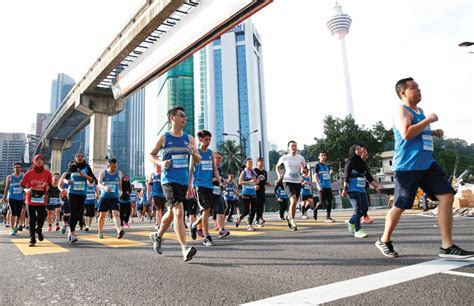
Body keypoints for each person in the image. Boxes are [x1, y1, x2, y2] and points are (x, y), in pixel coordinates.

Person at [375, 77, 474, 258]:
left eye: (419, 87)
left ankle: (447, 246)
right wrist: (428, 120)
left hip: (427, 163)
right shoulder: (401, 110)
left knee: (447, 196)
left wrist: (432, 132)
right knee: (400, 205)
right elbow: (406, 133)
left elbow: (417, 133)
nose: (419, 90)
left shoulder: (419, 110)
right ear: (403, 93)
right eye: (414, 88)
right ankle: (384, 239)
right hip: (408, 167)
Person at [148, 106, 201, 262]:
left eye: (185, 116)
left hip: (183, 181)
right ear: (172, 118)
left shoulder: (189, 138)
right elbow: (151, 154)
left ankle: (157, 236)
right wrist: (160, 162)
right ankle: (185, 248)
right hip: (168, 180)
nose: (184, 118)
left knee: (171, 213)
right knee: (179, 212)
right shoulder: (164, 137)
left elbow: (198, 160)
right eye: (181, 116)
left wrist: (193, 152)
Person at [188, 130, 222, 246]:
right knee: (206, 209)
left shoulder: (211, 153)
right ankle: (207, 236)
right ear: (200, 139)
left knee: (207, 211)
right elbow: (190, 169)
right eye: (206, 139)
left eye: (209, 139)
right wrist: (189, 186)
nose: (208, 142)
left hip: (210, 185)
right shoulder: (195, 153)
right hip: (199, 185)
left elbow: (215, 169)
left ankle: (193, 225)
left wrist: (220, 181)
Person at [341, 145, 380, 238]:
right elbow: (346, 176)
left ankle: (351, 222)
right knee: (357, 209)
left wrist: (375, 186)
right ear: (353, 151)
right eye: (357, 149)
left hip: (362, 189)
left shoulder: (363, 162)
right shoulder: (349, 162)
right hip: (352, 189)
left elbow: (368, 176)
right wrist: (344, 189)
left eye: (360, 148)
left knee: (365, 209)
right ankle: (358, 230)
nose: (360, 150)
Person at [20, 154, 52, 247]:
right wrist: (26, 190)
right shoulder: (29, 173)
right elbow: (22, 185)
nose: (39, 161)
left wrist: (47, 187)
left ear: (43, 161)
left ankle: (39, 230)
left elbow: (50, 184)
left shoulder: (48, 173)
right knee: (32, 220)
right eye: (37, 159)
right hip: (30, 199)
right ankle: (32, 239)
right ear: (34, 161)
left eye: (41, 159)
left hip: (42, 199)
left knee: (41, 217)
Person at [64, 152, 96, 243]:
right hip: (72, 193)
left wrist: (85, 175)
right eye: (78, 156)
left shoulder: (87, 167)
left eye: (81, 156)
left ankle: (70, 231)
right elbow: (65, 178)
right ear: (75, 158)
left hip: (82, 194)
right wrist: (67, 182)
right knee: (73, 213)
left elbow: (92, 180)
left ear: (84, 158)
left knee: (78, 214)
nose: (80, 157)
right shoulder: (72, 166)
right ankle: (72, 233)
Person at [275, 141, 306, 231]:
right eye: (292, 146)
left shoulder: (301, 158)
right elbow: (277, 167)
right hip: (287, 181)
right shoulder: (284, 157)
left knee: (295, 202)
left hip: (297, 182)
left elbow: (304, 169)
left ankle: (289, 217)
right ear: (288, 148)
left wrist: (303, 170)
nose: (294, 147)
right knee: (293, 200)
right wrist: (279, 175)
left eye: (295, 146)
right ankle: (292, 220)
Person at [97, 158, 125, 239]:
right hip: (104, 197)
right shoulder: (103, 173)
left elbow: (120, 184)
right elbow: (98, 184)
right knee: (102, 215)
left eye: (116, 166)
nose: (115, 168)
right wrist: (104, 187)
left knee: (116, 214)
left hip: (114, 197)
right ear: (108, 165)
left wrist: (120, 191)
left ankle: (119, 230)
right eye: (113, 167)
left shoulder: (119, 173)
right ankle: (100, 231)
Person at [2, 162, 24, 235]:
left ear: (21, 168)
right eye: (16, 167)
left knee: (19, 213)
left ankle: (16, 225)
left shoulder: (23, 176)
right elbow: (7, 187)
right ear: (13, 168)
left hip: (20, 197)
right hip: (12, 197)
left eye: (19, 167)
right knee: (13, 212)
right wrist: (4, 196)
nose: (17, 168)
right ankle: (12, 229)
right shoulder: (9, 177)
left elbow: (26, 186)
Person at [238, 158, 260, 231]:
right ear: (246, 164)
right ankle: (240, 217)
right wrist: (249, 182)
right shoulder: (244, 172)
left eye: (251, 162)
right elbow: (240, 182)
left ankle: (250, 225)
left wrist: (256, 183)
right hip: (246, 193)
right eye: (249, 162)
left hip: (253, 193)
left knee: (253, 209)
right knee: (247, 210)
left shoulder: (253, 172)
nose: (251, 164)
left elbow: (256, 181)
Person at [314, 152, 335, 222]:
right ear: (319, 157)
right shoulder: (317, 165)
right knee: (321, 202)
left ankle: (328, 217)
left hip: (328, 187)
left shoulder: (327, 166)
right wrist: (318, 185)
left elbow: (329, 174)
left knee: (329, 202)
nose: (323, 156)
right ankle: (315, 210)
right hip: (321, 186)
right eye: (322, 155)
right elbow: (315, 176)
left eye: (324, 155)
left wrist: (331, 172)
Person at [254, 158, 272, 227]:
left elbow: (264, 181)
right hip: (255, 191)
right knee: (257, 206)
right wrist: (254, 185)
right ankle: (256, 220)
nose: (262, 163)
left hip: (262, 191)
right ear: (257, 163)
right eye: (260, 162)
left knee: (261, 205)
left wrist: (268, 183)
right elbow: (251, 180)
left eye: (263, 162)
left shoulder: (264, 172)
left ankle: (260, 218)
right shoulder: (254, 171)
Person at [148, 164, 166, 230]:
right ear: (154, 167)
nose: (158, 167)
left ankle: (157, 222)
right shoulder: (152, 175)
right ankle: (159, 224)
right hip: (155, 194)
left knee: (162, 210)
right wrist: (148, 195)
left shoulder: (164, 173)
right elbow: (149, 185)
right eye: (156, 166)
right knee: (159, 209)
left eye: (159, 166)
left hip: (163, 194)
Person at [360, 146, 374, 224]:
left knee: (365, 203)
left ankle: (364, 217)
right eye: (365, 152)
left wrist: (374, 182)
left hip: (364, 185)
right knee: (363, 204)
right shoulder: (358, 163)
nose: (366, 153)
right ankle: (362, 217)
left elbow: (368, 174)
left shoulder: (365, 163)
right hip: (358, 186)